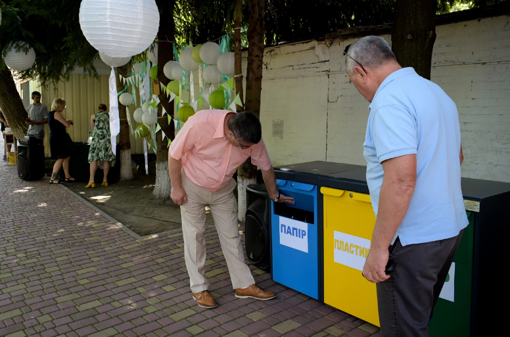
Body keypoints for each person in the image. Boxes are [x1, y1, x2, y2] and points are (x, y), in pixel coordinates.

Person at [345, 36, 468, 336]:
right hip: (448, 230)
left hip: (413, 240)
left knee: (403, 330)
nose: (358, 89)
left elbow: (401, 181)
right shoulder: (435, 92)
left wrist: (378, 248)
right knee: (417, 322)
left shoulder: (389, 100)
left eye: (353, 81)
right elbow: (458, 156)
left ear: (362, 72)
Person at [169, 110, 295, 309]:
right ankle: (199, 287)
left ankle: (244, 285)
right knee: (195, 236)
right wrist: (176, 187)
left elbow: (266, 167)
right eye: (245, 147)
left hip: (223, 189)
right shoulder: (200, 123)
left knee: (232, 236)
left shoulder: (251, 137)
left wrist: (275, 195)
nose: (249, 150)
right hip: (192, 186)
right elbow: (174, 154)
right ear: (229, 135)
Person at [85, 104, 115, 188]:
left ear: (98, 109)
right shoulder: (109, 115)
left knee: (94, 159)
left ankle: (91, 180)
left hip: (96, 139)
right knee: (106, 159)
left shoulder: (93, 116)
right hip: (106, 138)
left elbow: (92, 128)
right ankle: (105, 179)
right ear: (105, 109)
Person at [47, 98, 75, 184]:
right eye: (63, 106)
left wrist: (67, 121)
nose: (64, 108)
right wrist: (69, 121)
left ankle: (67, 176)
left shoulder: (51, 114)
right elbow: (66, 124)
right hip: (57, 139)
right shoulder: (56, 113)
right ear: (58, 106)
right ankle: (52, 178)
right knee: (60, 158)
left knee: (66, 157)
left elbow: (62, 123)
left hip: (60, 138)